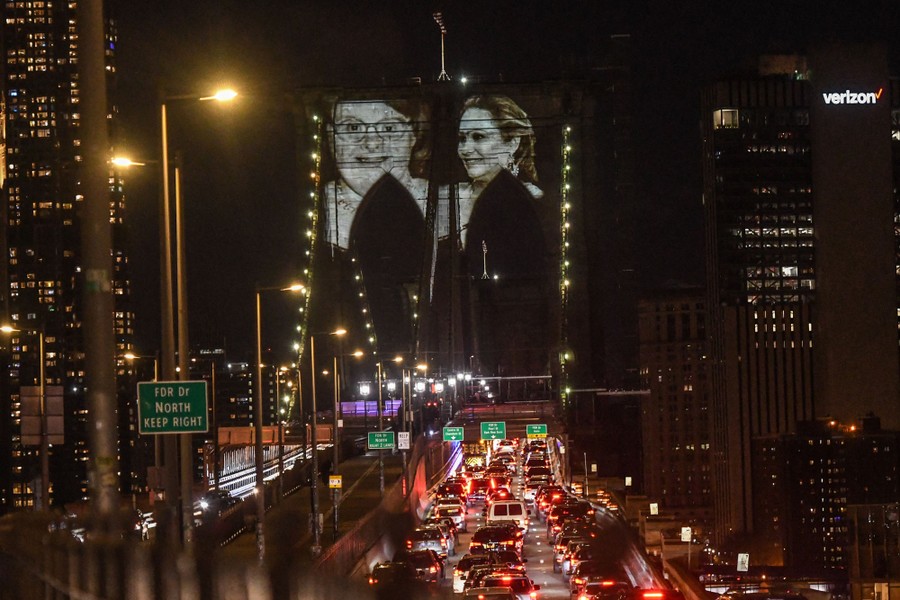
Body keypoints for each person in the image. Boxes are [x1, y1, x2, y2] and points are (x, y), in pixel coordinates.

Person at [323, 99, 428, 249]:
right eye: (353, 128)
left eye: (389, 128)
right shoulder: (314, 210)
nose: (372, 144)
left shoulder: (446, 202)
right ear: (330, 136)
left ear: (414, 135)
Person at [456, 94, 542, 246]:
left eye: (479, 137)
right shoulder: (450, 197)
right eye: (462, 139)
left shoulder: (531, 200)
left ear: (512, 144)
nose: (465, 149)